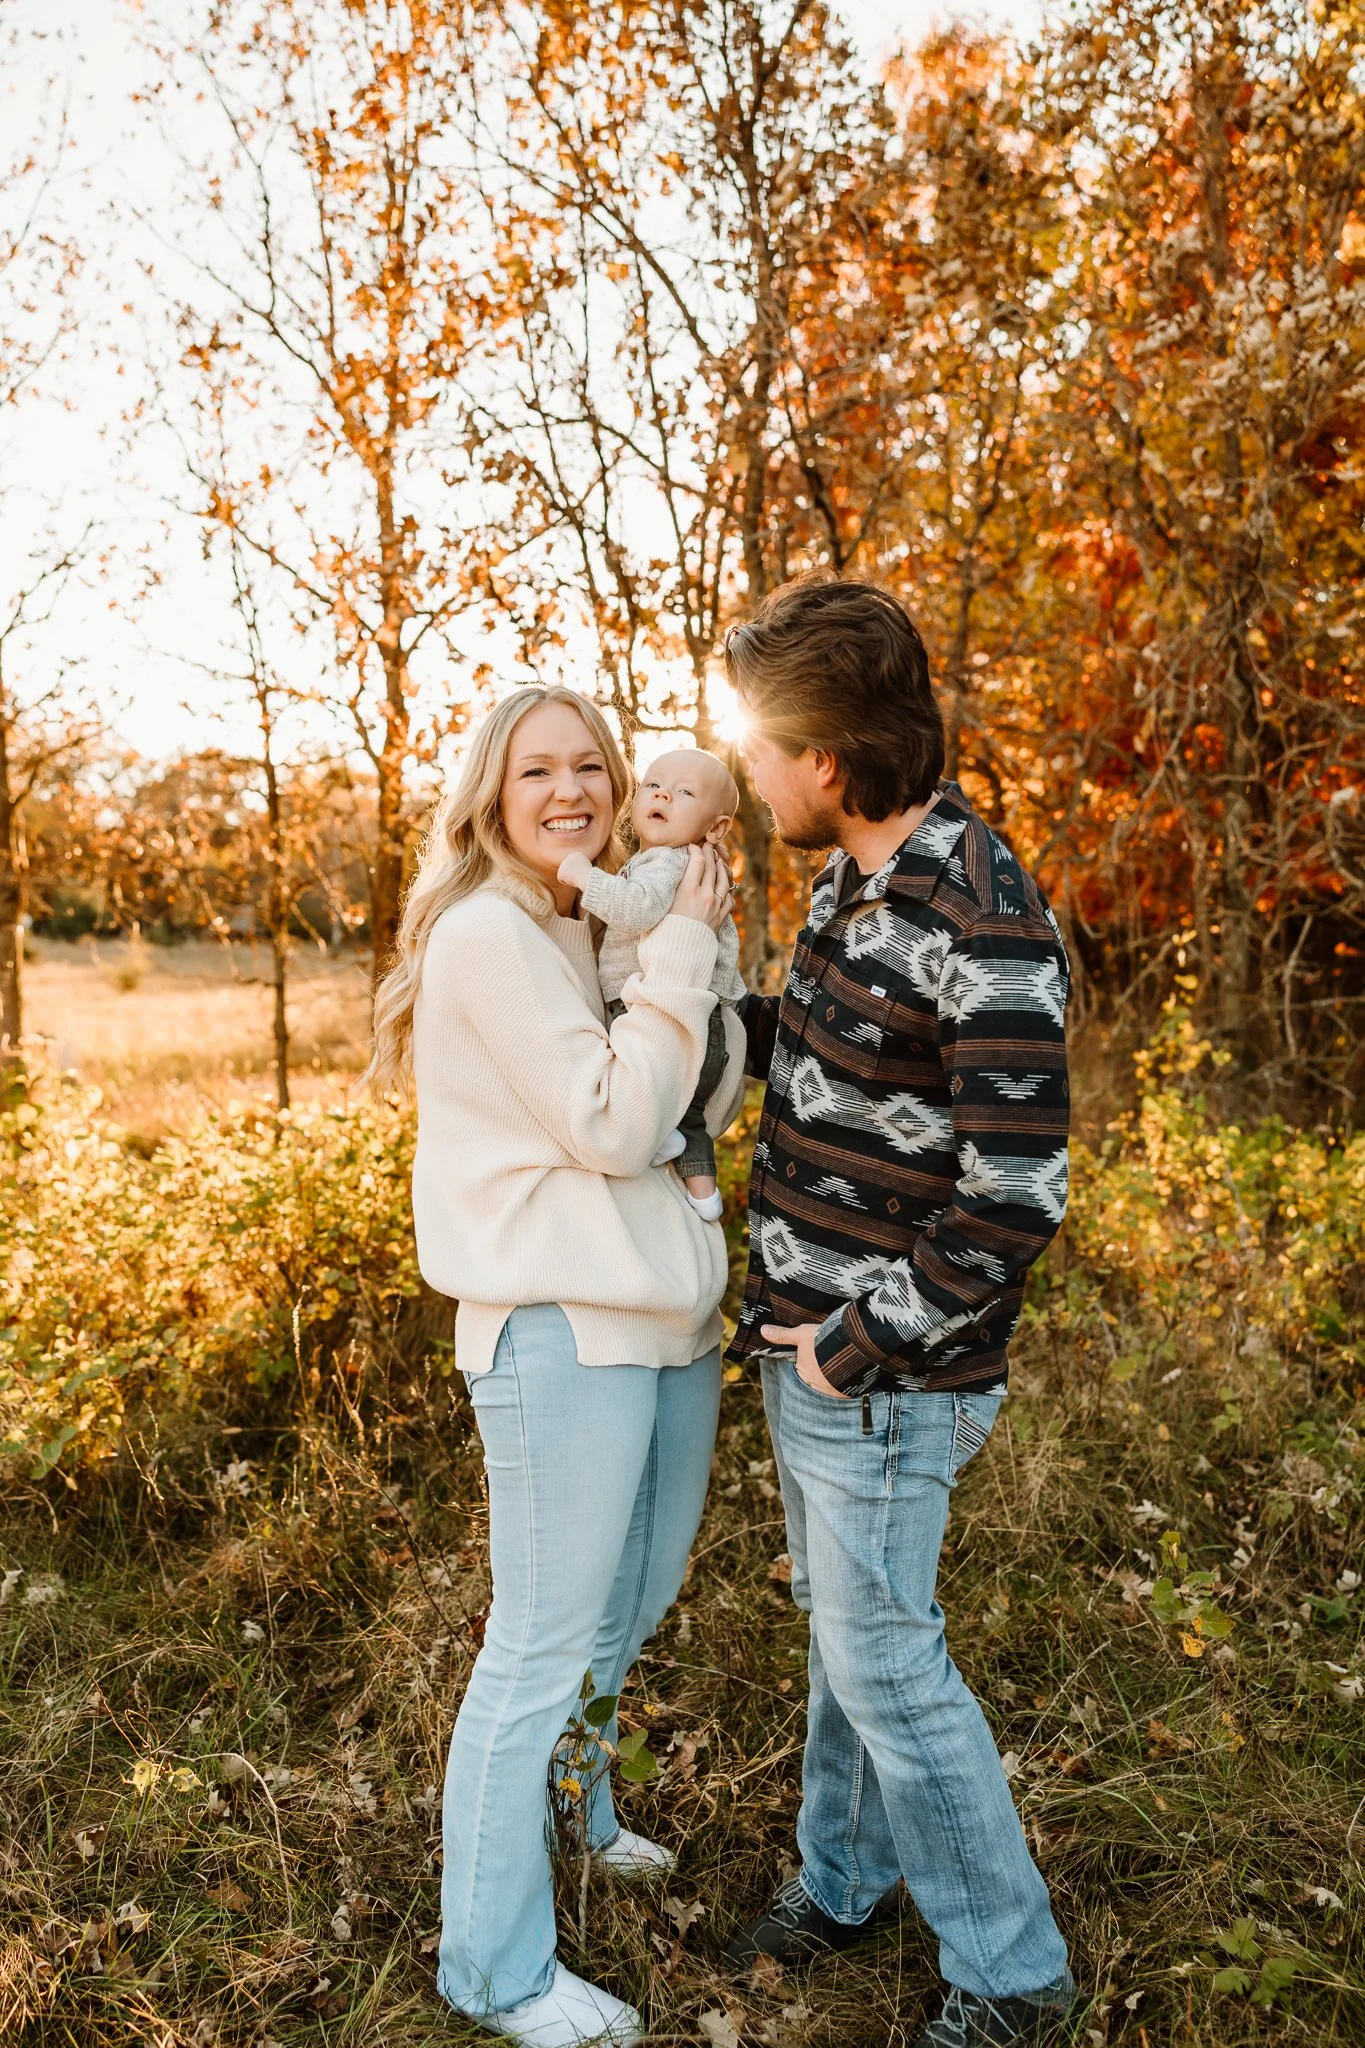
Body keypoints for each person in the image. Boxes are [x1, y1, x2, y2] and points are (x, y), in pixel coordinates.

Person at [718, 580, 1077, 2048]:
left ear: (827, 755)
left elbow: (1014, 1195)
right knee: (847, 1640)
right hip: (811, 1353)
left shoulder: (975, 915)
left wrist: (853, 1342)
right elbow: (793, 1060)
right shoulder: (851, 880)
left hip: (884, 1376)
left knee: (887, 1663)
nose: (743, 769)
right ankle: (846, 1881)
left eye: (757, 743)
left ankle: (1011, 1977)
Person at [367, 685, 744, 2048]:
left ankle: (583, 1817)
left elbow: (691, 1102)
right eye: (539, 769)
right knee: (534, 1650)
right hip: (559, 1332)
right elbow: (616, 1117)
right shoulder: (486, 935)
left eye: (594, 763)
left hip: (665, 1324)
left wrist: (683, 953)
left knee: (620, 1615)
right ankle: (496, 1969)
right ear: (492, 791)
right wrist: (687, 951)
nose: (573, 789)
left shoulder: (576, 921)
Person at [557, 746, 747, 1220]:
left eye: (684, 792)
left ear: (716, 827)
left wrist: (585, 876)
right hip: (688, 1008)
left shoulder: (670, 861)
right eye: (653, 785)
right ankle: (702, 1188)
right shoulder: (667, 859)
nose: (663, 793)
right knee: (690, 1112)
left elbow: (637, 908)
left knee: (665, 1098)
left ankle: (675, 1154)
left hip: (671, 1004)